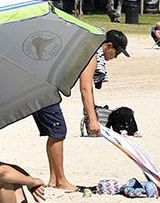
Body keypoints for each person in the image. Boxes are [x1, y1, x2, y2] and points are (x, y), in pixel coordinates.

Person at [31, 28, 129, 189]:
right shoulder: (90, 54)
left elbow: (88, 89)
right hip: (43, 88)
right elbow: (85, 88)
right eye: (116, 53)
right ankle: (61, 181)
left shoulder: (86, 48)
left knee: (55, 131)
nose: (115, 57)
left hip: (40, 86)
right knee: (58, 130)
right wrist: (92, 120)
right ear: (108, 46)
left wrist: (93, 114)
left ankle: (54, 180)